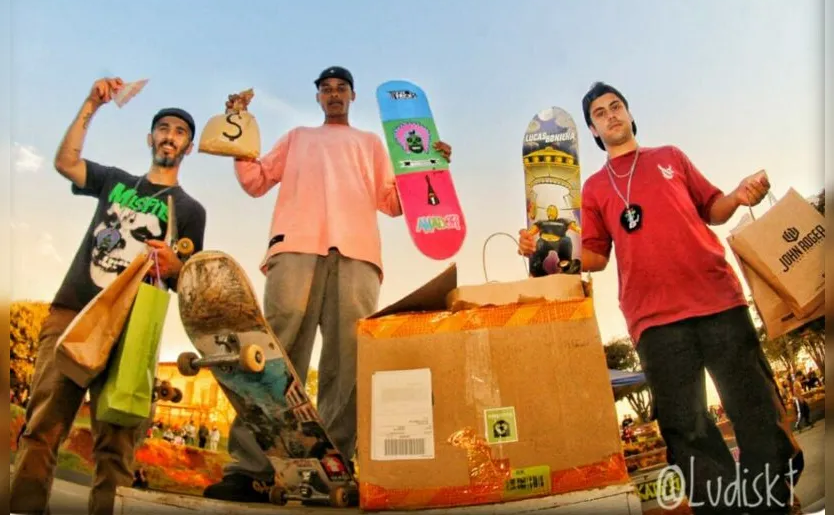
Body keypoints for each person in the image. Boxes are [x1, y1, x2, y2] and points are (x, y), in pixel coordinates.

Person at [518, 82, 803, 514]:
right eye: (599, 113)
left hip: (718, 299)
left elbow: (713, 208)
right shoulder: (593, 188)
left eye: (616, 107)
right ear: (594, 131)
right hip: (653, 318)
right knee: (686, 428)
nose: (610, 115)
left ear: (630, 115)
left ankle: (772, 504)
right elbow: (594, 255)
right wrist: (544, 246)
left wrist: (740, 195)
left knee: (756, 408)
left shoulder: (670, 156)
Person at [203, 66, 453, 503]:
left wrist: (429, 165)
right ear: (318, 97)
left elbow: (394, 204)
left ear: (352, 97)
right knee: (273, 350)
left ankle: (334, 466)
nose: (334, 95)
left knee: (349, 359)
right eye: (326, 89)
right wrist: (239, 135)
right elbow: (256, 180)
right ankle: (253, 467)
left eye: (341, 89)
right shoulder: (299, 137)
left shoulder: (371, 144)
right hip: (296, 246)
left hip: (356, 254)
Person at [10, 77, 207, 515]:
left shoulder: (191, 210)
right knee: (42, 429)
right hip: (75, 313)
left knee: (116, 448)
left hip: (131, 331)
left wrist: (175, 266)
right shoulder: (115, 181)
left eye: (179, 132)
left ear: (188, 147)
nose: (170, 136)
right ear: (150, 137)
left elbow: (186, 280)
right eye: (164, 128)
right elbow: (66, 162)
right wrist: (90, 105)